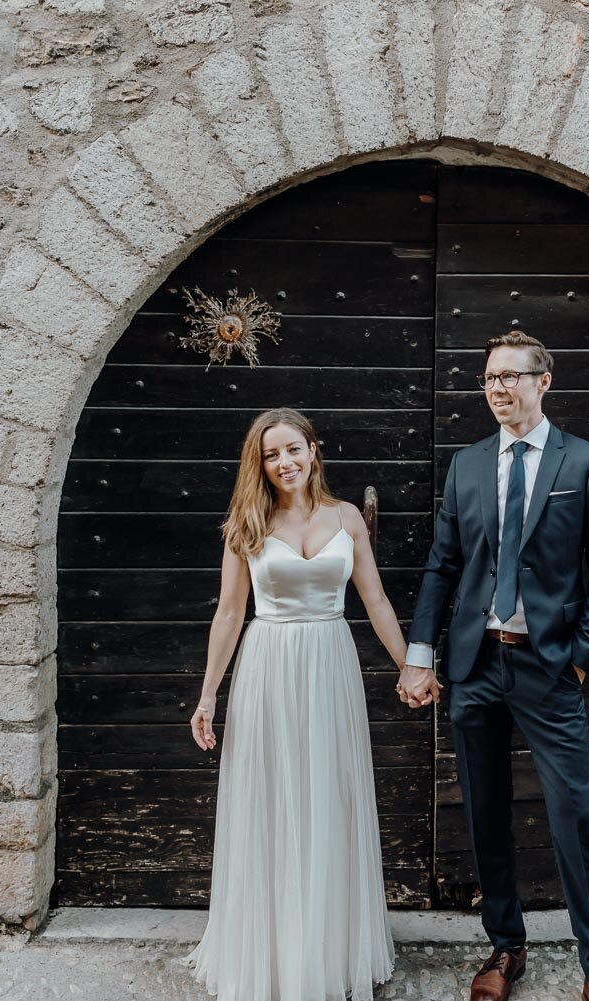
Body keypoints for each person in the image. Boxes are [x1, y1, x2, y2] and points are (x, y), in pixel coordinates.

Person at [400, 331, 589, 1001]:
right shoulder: (467, 465)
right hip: (475, 668)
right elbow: (443, 565)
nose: (499, 388)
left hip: (548, 667)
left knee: (574, 815)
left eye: (512, 376)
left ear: (544, 381)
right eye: (490, 378)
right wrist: (421, 655)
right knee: (486, 813)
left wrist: (579, 660)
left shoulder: (583, 463)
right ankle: (506, 946)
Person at [184, 407, 439, 1001]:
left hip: (330, 664)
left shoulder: (347, 517)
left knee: (328, 795)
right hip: (268, 666)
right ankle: (270, 955)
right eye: (271, 455)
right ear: (260, 464)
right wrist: (207, 695)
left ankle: (329, 946)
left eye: (292, 449)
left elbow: (374, 599)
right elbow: (228, 613)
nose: (284, 463)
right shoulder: (246, 521)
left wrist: (410, 666)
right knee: (271, 797)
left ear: (313, 450)